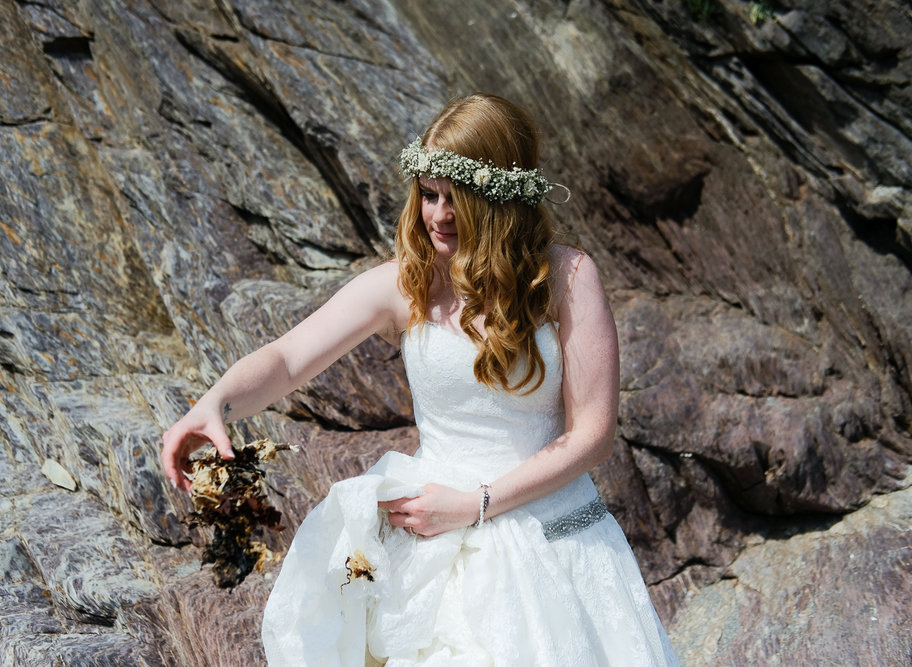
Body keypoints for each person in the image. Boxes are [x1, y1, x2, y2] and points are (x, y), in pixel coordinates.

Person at [162, 93, 679, 666]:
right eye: (428, 195)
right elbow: (287, 359)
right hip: (429, 536)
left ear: (502, 199)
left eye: (458, 199)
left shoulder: (566, 277)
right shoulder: (406, 284)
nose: (438, 215)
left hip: (552, 539)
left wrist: (476, 505)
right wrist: (216, 404)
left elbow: (593, 435)